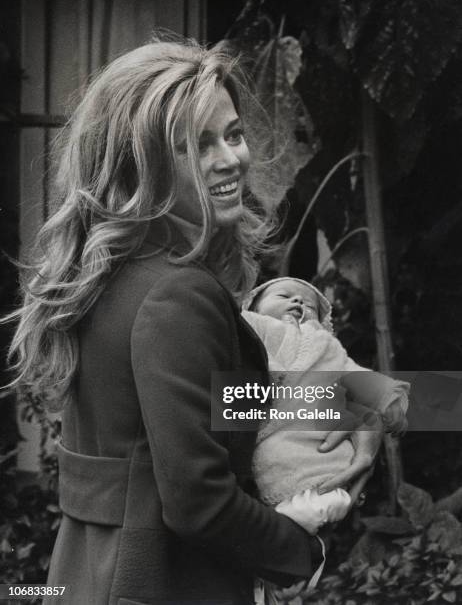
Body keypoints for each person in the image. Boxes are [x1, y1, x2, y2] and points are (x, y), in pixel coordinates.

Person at [5, 37, 383, 604]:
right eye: (195, 146)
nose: (231, 159)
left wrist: (368, 400)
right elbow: (197, 499)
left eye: (233, 134)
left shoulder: (107, 271)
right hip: (161, 580)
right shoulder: (176, 294)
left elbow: (214, 408)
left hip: (90, 570)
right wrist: (300, 554)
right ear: (143, 162)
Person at [242, 277, 408, 520]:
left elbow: (353, 372)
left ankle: (329, 499)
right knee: (278, 459)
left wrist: (389, 398)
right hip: (277, 435)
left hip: (323, 441)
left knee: (329, 461)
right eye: (283, 296)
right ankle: (303, 511)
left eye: (310, 305)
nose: (298, 301)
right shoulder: (255, 328)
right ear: (254, 308)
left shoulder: (327, 347)